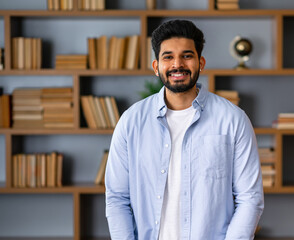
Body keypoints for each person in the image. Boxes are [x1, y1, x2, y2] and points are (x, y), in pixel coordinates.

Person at [105, 19, 264, 240]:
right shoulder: (131, 122)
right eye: (168, 57)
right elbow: (117, 198)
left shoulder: (233, 120)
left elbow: (250, 197)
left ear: (201, 63)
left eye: (187, 56)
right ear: (156, 66)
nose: (177, 65)